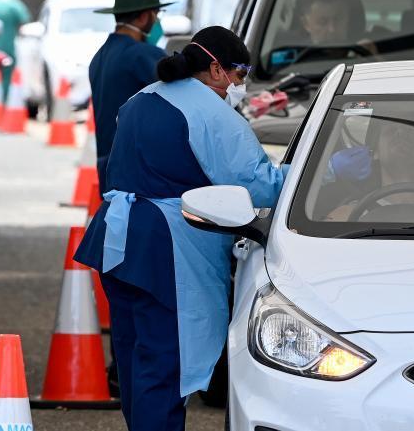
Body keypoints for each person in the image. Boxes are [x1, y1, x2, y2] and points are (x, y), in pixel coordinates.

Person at [74, 26, 287, 431]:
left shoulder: (141, 99)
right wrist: (319, 172)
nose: (239, 87)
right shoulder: (210, 112)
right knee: (163, 367)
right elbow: (259, 183)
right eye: (239, 75)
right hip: (164, 249)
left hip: (116, 240)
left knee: (136, 357)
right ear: (215, 69)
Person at [91, 0, 170, 193]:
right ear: (145, 16)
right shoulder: (142, 55)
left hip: (108, 170)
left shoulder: (100, 56)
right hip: (140, 174)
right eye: (156, 15)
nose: (156, 22)